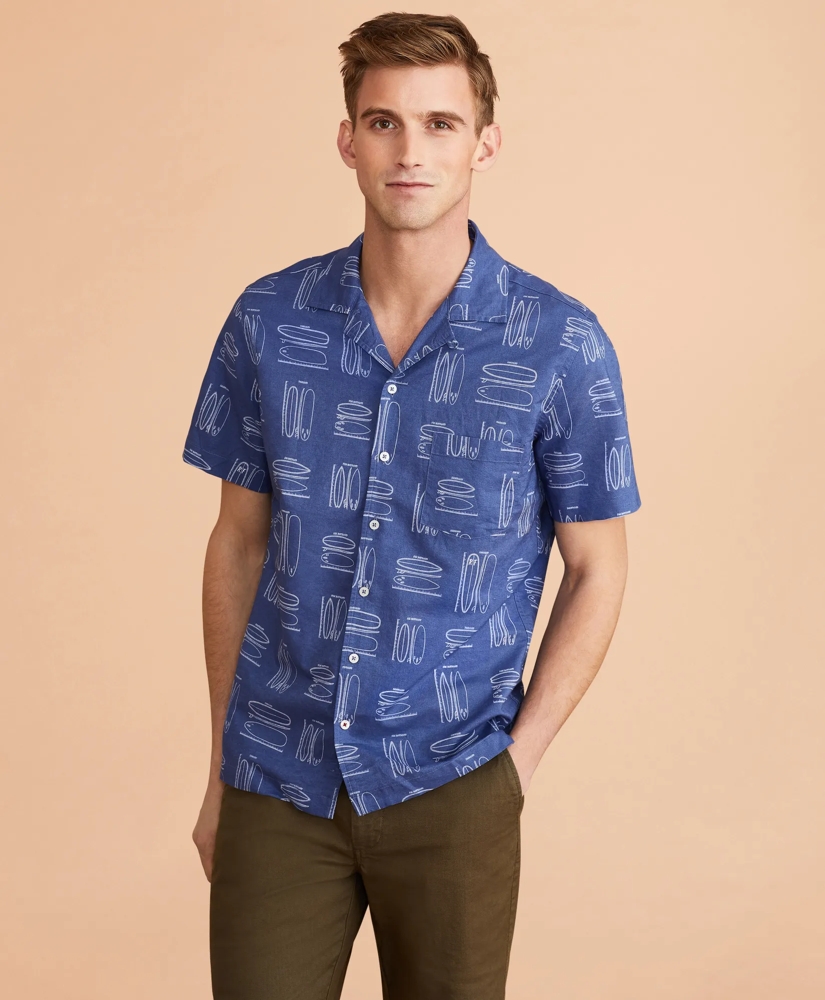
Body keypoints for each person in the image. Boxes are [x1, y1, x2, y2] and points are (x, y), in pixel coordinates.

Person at [182, 11, 642, 1000]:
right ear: (347, 140)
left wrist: (514, 767)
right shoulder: (269, 320)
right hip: (276, 778)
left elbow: (599, 566)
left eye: (440, 123)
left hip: (455, 782)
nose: (409, 151)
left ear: (485, 143)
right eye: (383, 121)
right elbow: (237, 545)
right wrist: (222, 764)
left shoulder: (559, 343)